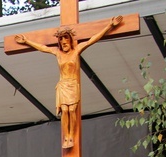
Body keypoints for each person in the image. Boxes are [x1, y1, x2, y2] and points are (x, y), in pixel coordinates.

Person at [14, 16, 123, 149]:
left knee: (72, 110)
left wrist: (109, 26)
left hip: (73, 84)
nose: (64, 41)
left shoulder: (76, 50)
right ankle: (66, 137)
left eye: (66, 38)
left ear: (71, 40)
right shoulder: (58, 53)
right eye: (61, 39)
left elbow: (93, 39)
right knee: (64, 110)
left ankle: (72, 136)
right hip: (63, 84)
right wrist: (27, 41)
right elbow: (42, 47)